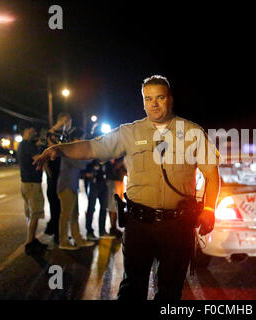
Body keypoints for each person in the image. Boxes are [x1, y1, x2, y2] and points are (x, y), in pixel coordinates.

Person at [34, 75, 220, 300]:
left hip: (178, 226)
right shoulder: (129, 133)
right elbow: (93, 148)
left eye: (160, 97)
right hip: (139, 225)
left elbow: (212, 173)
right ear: (143, 102)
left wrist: (209, 209)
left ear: (170, 99)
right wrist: (61, 149)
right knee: (132, 289)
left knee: (171, 291)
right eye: (148, 98)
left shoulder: (192, 132)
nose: (154, 103)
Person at [57, 128, 95, 250]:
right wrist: (94, 155)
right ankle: (63, 241)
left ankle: (77, 239)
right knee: (66, 215)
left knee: (74, 215)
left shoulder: (72, 151)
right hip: (66, 186)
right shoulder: (68, 151)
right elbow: (81, 164)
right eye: (80, 139)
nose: (82, 142)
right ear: (75, 140)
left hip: (72, 186)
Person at [17, 125, 48, 255]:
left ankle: (32, 239)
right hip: (32, 183)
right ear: (26, 131)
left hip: (26, 183)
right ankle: (30, 243)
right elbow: (38, 159)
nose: (34, 133)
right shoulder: (28, 145)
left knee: (31, 213)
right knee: (35, 213)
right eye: (32, 131)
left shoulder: (22, 145)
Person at [84, 159, 114, 239]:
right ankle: (89, 232)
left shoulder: (107, 162)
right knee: (91, 209)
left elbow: (111, 173)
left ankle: (102, 231)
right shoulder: (92, 161)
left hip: (104, 186)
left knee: (104, 209)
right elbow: (85, 172)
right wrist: (88, 174)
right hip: (94, 185)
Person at [105, 158, 127, 238]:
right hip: (113, 180)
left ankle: (114, 227)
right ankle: (113, 227)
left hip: (119, 180)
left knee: (117, 205)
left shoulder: (119, 156)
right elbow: (115, 166)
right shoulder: (113, 154)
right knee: (113, 205)